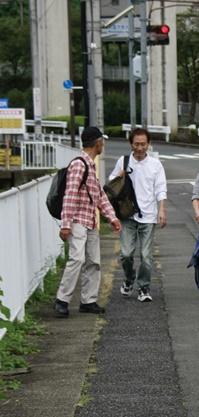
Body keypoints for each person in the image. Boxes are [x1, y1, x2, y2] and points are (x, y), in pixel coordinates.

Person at [53, 127, 122, 317]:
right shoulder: (79, 165)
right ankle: (61, 300)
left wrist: (112, 218)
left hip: (90, 220)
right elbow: (70, 195)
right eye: (102, 142)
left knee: (94, 261)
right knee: (77, 259)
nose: (103, 145)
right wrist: (66, 224)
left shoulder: (90, 166)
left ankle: (88, 301)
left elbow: (99, 196)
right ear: (97, 143)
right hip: (77, 220)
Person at [109, 128, 167, 303]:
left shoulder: (155, 165)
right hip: (127, 215)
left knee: (146, 256)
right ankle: (129, 278)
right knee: (126, 254)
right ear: (130, 144)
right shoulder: (123, 161)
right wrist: (118, 176)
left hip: (148, 216)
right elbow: (111, 184)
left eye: (143, 144)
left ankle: (144, 286)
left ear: (149, 144)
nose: (140, 148)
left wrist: (162, 210)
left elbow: (161, 188)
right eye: (136, 144)